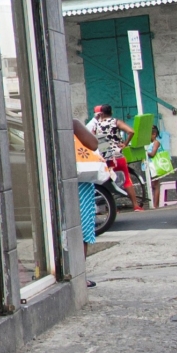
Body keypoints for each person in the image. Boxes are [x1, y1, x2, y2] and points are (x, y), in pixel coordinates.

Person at [91, 105, 142, 211]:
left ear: (101, 114)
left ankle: (112, 207)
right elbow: (131, 131)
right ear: (111, 111)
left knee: (107, 181)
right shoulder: (115, 121)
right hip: (118, 154)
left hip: (105, 156)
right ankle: (136, 205)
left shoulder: (96, 125)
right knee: (127, 179)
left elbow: (92, 138)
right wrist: (125, 144)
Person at [73, 118, 100, 288]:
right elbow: (93, 144)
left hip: (55, 182)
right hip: (79, 181)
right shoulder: (71, 122)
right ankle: (80, 275)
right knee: (82, 228)